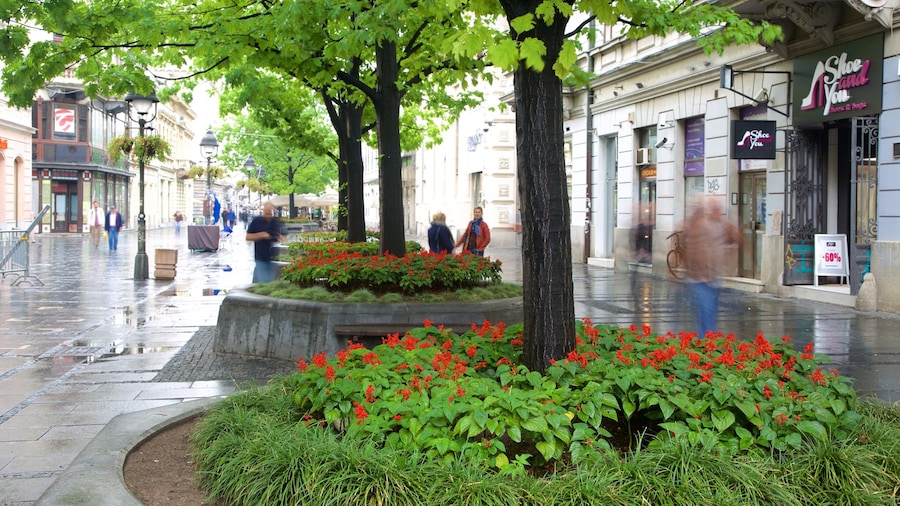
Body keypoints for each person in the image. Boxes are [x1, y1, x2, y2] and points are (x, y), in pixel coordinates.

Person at [681, 198, 742, 338]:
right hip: (701, 278)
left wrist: (732, 224)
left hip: (714, 277)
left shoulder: (722, 225)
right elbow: (692, 249)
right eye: (715, 209)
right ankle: (707, 340)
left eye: (719, 209)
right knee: (707, 310)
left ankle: (706, 339)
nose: (718, 212)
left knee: (709, 311)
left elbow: (737, 238)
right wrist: (698, 271)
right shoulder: (701, 226)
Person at [246, 202, 286, 283]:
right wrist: (261, 235)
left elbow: (283, 236)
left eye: (270, 213)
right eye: (267, 213)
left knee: (271, 282)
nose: (269, 216)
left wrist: (280, 237)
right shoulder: (257, 221)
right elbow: (248, 237)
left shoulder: (276, 222)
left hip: (273, 258)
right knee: (264, 281)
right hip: (261, 257)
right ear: (263, 211)